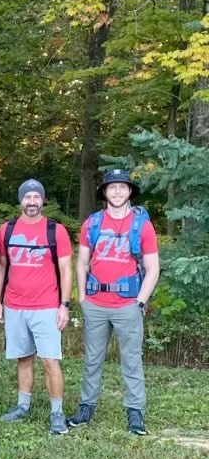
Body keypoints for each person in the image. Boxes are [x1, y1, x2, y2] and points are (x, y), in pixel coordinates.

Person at [68, 168, 160, 436]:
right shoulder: (92, 223)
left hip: (128, 305)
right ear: (105, 192)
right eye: (112, 187)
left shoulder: (142, 225)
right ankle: (86, 407)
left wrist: (140, 302)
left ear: (129, 191)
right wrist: (82, 297)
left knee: (131, 361)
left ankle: (135, 412)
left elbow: (153, 268)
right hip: (96, 303)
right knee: (92, 359)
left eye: (122, 187)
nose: (117, 191)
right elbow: (82, 262)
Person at [0, 179, 74, 435]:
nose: (31, 202)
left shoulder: (55, 231)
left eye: (36, 197)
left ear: (42, 200)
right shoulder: (6, 230)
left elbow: (66, 269)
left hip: (46, 306)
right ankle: (22, 406)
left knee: (50, 360)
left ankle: (57, 413)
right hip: (14, 304)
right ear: (21, 200)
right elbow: (1, 267)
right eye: (27, 197)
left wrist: (64, 305)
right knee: (23, 357)